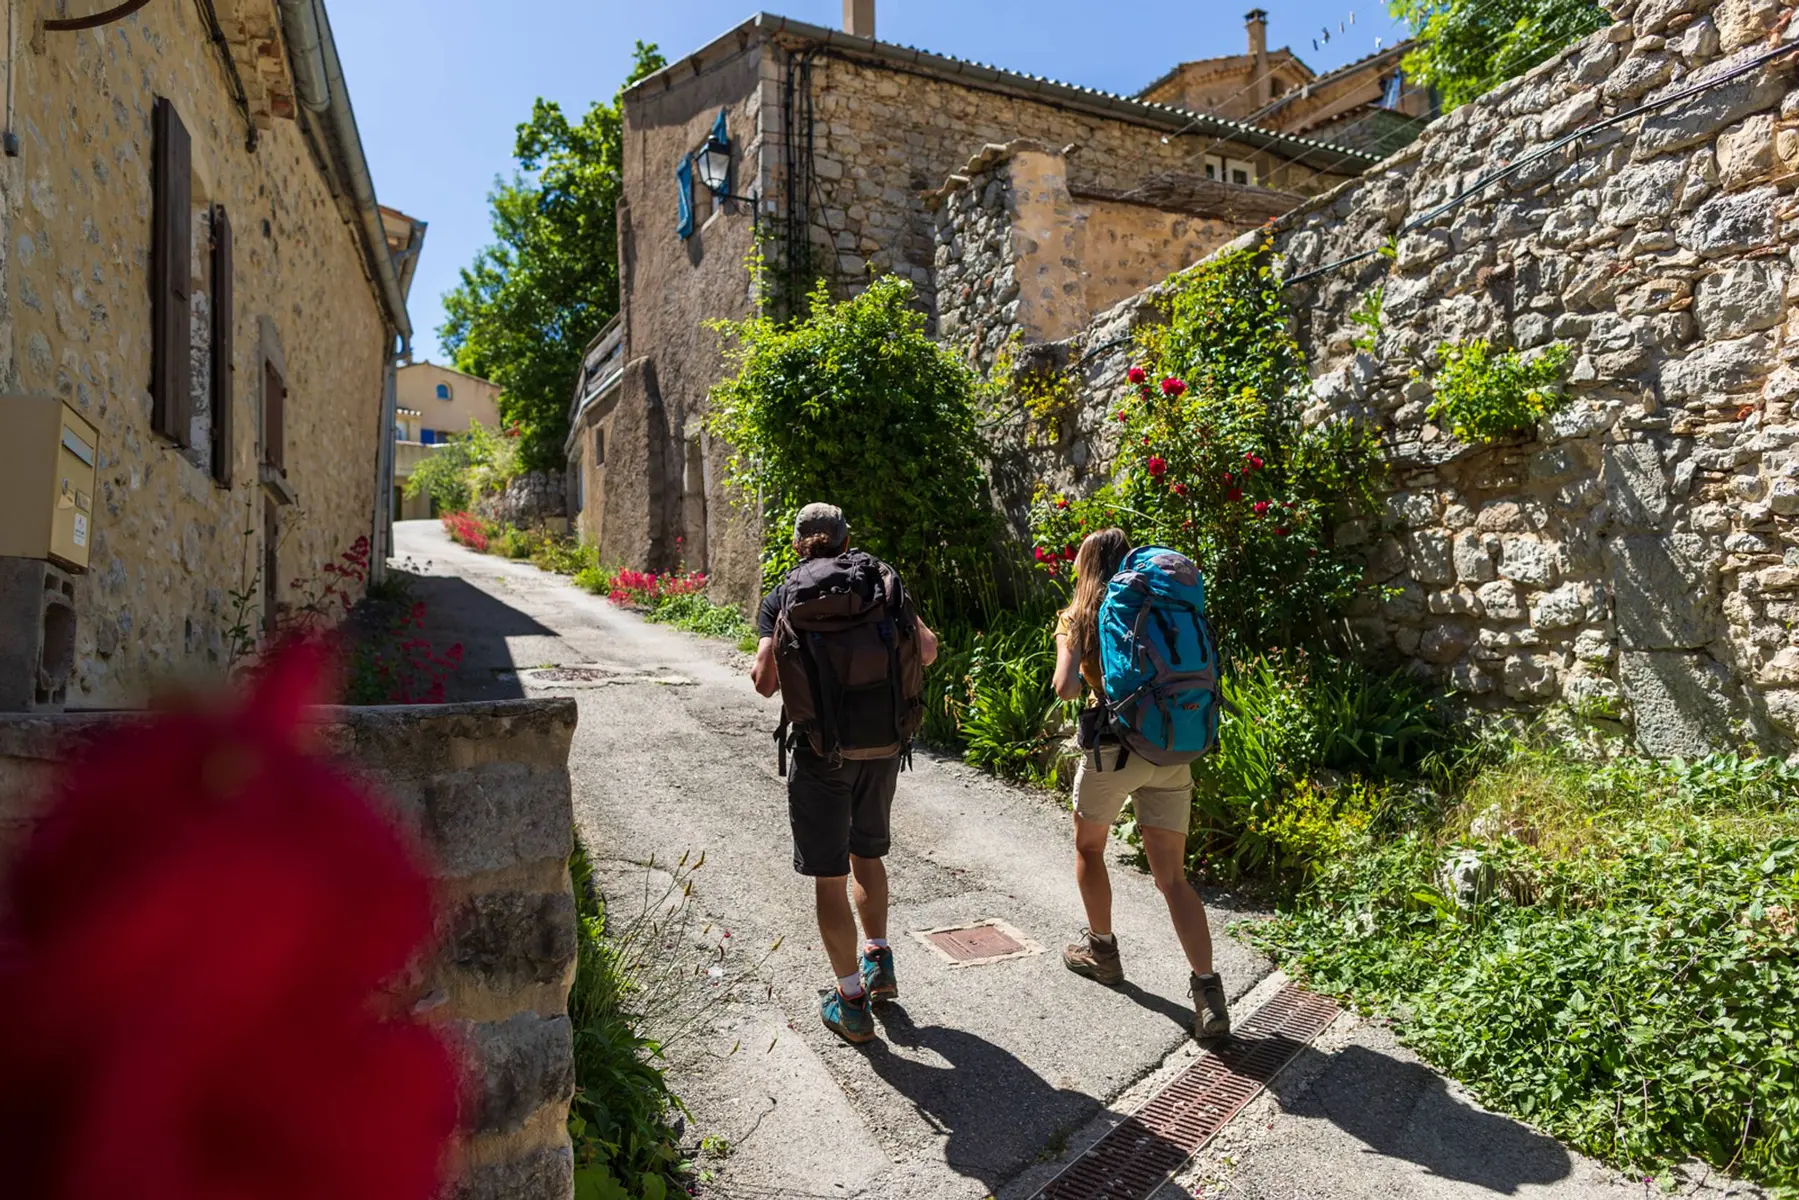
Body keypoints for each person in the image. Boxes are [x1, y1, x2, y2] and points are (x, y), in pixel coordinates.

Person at [752, 504, 938, 1044]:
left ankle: (851, 1001)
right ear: (845, 540)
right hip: (882, 747)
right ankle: (879, 960)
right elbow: (926, 650)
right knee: (868, 855)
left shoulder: (784, 595)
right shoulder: (879, 579)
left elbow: (765, 683)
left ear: (797, 546)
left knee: (829, 876)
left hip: (821, 753)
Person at [1051, 528, 1231, 1040]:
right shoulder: (1163, 603)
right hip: (1171, 747)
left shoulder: (1078, 616)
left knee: (1089, 848)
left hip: (1114, 752)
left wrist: (1079, 660)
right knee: (1173, 879)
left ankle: (1102, 951)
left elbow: (1065, 688)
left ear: (1086, 566)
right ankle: (1208, 993)